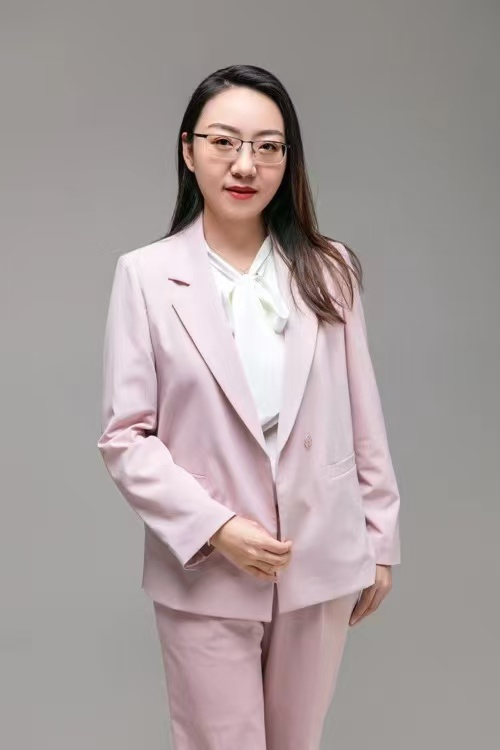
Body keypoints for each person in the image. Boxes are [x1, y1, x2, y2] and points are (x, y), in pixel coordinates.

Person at [97, 63, 401, 750]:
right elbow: (126, 437)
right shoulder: (145, 276)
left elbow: (362, 412)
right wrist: (217, 527)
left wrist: (379, 539)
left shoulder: (330, 269)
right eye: (224, 142)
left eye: (268, 146)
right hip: (206, 566)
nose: (245, 165)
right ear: (188, 151)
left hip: (320, 554)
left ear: (289, 160)